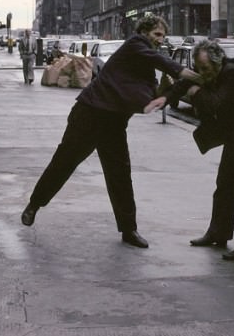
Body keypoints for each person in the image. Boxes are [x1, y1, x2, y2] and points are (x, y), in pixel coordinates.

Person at [21, 15, 201, 248]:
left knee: (120, 174)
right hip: (90, 114)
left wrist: (168, 89)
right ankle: (34, 205)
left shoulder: (145, 66)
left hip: (114, 121)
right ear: (144, 32)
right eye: (157, 35)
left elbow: (153, 94)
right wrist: (198, 77)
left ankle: (129, 229)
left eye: (163, 37)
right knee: (63, 163)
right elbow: (164, 62)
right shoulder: (135, 44)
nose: (160, 40)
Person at [146, 39, 234, 261]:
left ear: (218, 62)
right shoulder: (207, 69)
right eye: (199, 68)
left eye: (205, 69)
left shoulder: (232, 72)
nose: (202, 73)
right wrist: (164, 99)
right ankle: (218, 233)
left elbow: (216, 103)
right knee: (223, 185)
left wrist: (196, 92)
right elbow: (183, 84)